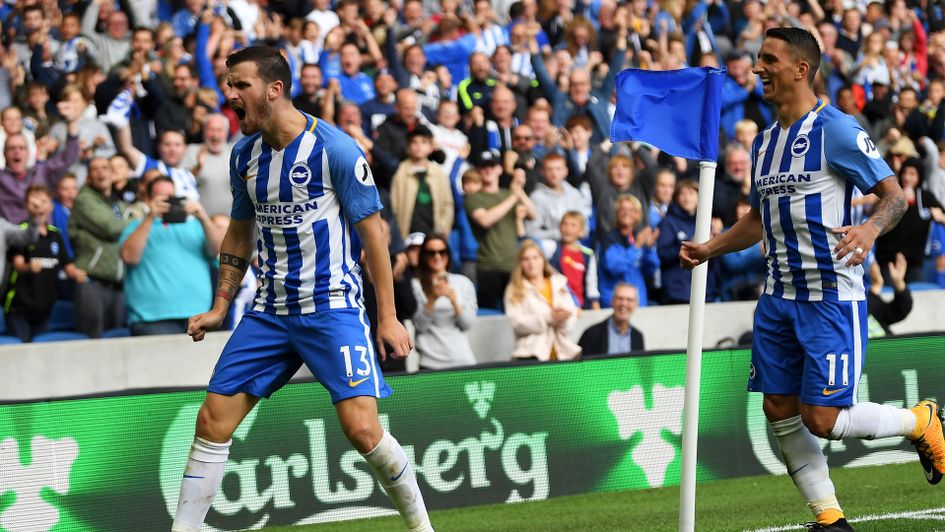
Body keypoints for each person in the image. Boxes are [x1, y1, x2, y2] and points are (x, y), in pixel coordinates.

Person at [679, 28, 944, 532]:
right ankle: (830, 518)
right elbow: (760, 219)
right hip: (777, 298)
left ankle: (920, 422)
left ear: (801, 69)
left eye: (768, 60)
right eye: (758, 59)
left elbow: (894, 197)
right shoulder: (762, 143)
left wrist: (869, 227)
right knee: (779, 407)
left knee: (823, 418)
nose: (758, 68)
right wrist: (710, 248)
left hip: (830, 298)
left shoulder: (836, 131)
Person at [173, 47, 433, 532]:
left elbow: (373, 235)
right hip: (269, 310)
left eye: (240, 85)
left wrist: (388, 316)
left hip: (331, 306)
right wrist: (219, 306)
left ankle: (421, 527)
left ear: (274, 89)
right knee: (211, 422)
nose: (230, 95)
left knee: (362, 430)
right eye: (228, 84)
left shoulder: (335, 149)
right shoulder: (244, 156)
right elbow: (238, 233)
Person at [119, 176, 224, 336]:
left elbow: (217, 249)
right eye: (161, 197)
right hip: (152, 318)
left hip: (198, 317)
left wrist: (202, 216)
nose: (168, 201)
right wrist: (150, 217)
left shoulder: (194, 225)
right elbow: (128, 256)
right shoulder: (136, 226)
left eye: (171, 195)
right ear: (148, 199)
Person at [4, 186, 86, 341]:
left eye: (43, 201)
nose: (39, 206)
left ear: (51, 205)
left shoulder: (55, 234)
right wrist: (28, 267)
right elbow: (18, 264)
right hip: (19, 308)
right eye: (34, 202)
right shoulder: (20, 232)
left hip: (45, 307)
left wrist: (77, 274)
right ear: (26, 205)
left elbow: (67, 265)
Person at [69, 157, 129, 338]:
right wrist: (138, 219)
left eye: (105, 167)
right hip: (92, 283)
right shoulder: (84, 200)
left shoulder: (117, 204)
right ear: (88, 177)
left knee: (119, 341)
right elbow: (111, 228)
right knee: (92, 343)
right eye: (95, 169)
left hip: (118, 284)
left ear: (113, 174)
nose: (101, 172)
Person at [503, 240, 581, 362]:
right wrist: (549, 318)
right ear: (520, 263)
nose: (531, 263)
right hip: (530, 355)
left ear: (543, 260)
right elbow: (517, 323)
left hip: (563, 353)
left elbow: (571, 321)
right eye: (526, 259)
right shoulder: (514, 289)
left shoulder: (558, 282)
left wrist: (563, 319)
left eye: (535, 257)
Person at [411, 234, 478, 370]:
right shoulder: (415, 284)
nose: (437, 256)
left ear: (448, 255)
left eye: (442, 252)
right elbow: (420, 325)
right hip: (430, 362)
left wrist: (455, 302)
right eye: (431, 253)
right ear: (424, 256)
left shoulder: (463, 283)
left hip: (462, 359)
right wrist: (432, 298)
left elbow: (467, 325)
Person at [578, 282, 645, 357]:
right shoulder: (592, 334)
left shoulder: (638, 337)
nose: (624, 304)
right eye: (620, 298)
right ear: (612, 301)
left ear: (637, 305)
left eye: (629, 300)